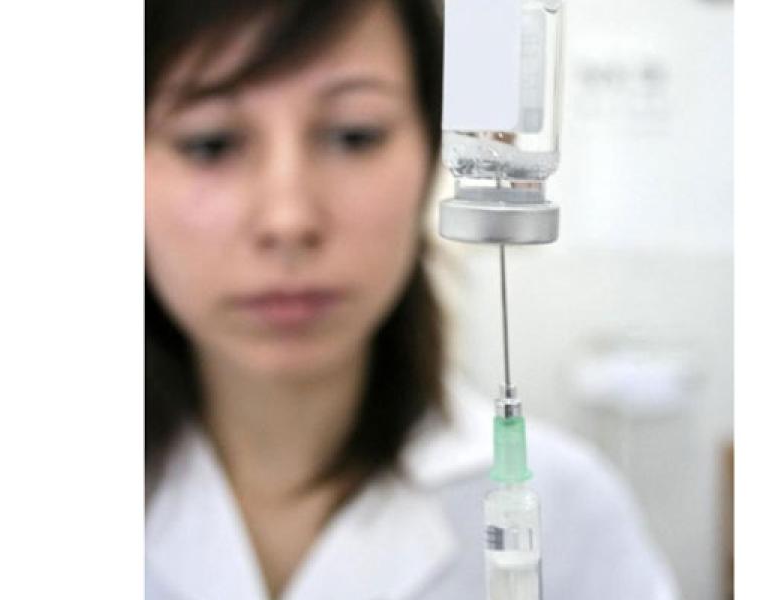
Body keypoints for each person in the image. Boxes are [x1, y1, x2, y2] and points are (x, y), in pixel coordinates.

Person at [144, 0, 678, 598]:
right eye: (210, 143)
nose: (289, 220)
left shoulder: (576, 514)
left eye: (354, 134)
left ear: (431, 153)